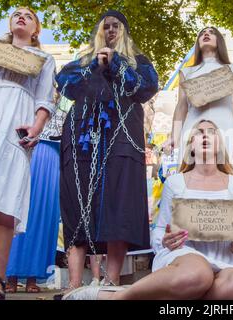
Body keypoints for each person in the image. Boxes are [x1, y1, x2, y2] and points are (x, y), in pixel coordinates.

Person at [62, 120, 233, 300]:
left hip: (223, 260)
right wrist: (165, 241)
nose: (206, 135)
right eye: (199, 132)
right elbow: (159, 232)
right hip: (183, 256)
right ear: (191, 146)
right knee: (199, 273)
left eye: (212, 131)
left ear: (220, 145)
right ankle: (119, 298)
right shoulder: (175, 183)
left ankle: (173, 297)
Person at [55, 10, 158, 294]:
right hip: (81, 139)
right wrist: (95, 67)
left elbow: (146, 88)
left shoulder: (139, 62)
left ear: (124, 32)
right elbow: (64, 84)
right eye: (106, 26)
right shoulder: (83, 61)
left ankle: (111, 282)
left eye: (116, 26)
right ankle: (74, 286)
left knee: (118, 204)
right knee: (76, 205)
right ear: (99, 32)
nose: (111, 29)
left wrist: (117, 65)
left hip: (122, 138)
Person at [0, 7, 56, 299]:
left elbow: (44, 98)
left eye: (28, 15)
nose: (21, 16)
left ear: (36, 29)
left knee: (2, 199)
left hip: (14, 127)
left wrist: (36, 127)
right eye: (16, 14)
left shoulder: (45, 59)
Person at [168, 27, 233, 172]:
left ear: (220, 41)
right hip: (193, 130)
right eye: (202, 33)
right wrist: (174, 135)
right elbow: (181, 106)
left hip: (226, 129)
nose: (206, 34)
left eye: (211, 32)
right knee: (190, 176)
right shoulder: (186, 72)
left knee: (230, 176)